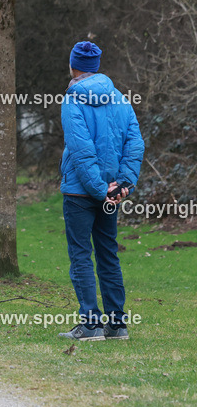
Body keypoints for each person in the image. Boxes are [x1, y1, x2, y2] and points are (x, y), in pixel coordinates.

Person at [57, 41, 144, 341]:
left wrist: (98, 189)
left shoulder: (72, 99)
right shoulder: (121, 99)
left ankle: (90, 325)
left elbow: (81, 151)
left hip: (81, 193)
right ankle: (117, 325)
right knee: (109, 255)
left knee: (81, 255)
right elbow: (135, 144)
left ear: (73, 66)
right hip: (111, 194)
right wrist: (122, 185)